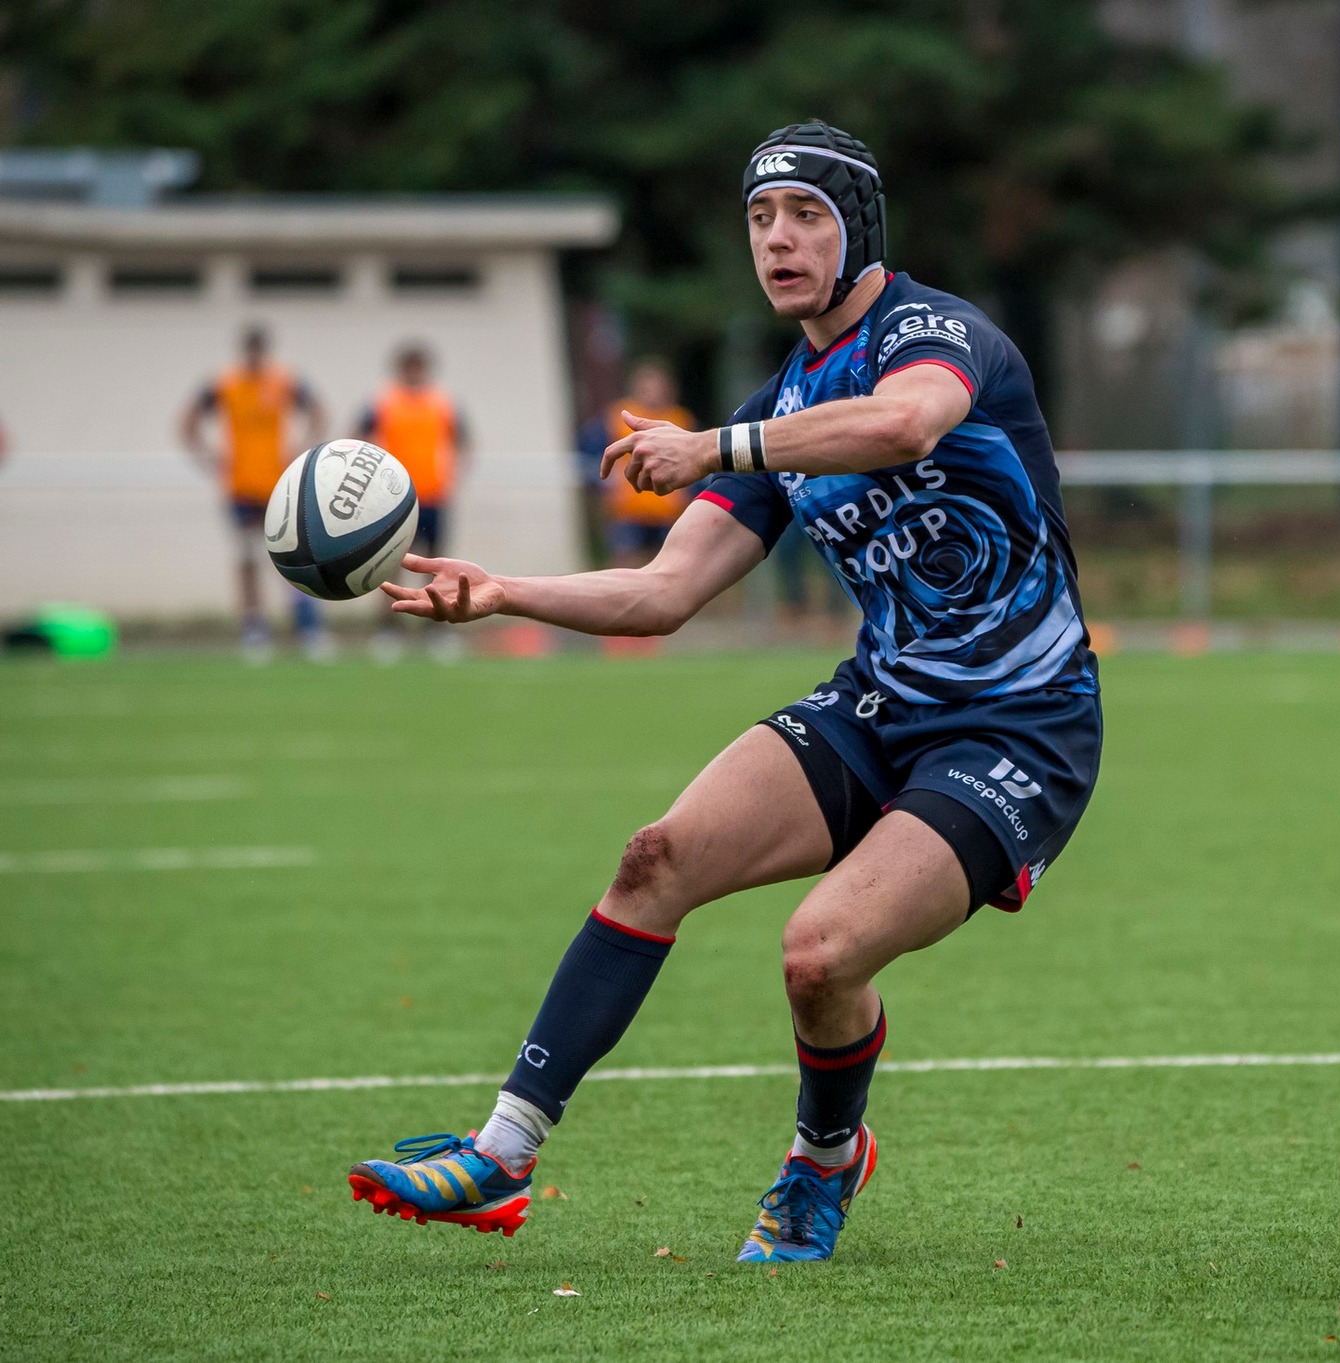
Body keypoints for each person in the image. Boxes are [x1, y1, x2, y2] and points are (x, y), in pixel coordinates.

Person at [345, 123, 1101, 1262]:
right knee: (655, 859)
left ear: (858, 229)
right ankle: (500, 1153)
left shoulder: (935, 335)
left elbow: (906, 420)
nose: (777, 240)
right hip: (883, 702)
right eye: (759, 218)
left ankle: (823, 1160)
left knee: (820, 954)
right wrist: (500, 592)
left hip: (1020, 727)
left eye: (805, 215)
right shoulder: (780, 403)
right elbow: (662, 593)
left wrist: (716, 446)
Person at [180, 325, 329, 661]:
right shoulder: (226, 383)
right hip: (242, 486)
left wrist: (302, 450)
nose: (255, 357)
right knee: (247, 558)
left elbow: (318, 411)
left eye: (259, 350)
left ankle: (307, 627)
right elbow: (188, 420)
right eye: (250, 350)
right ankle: (254, 627)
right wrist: (208, 456)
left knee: (296, 557)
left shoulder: (284, 380)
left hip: (281, 486)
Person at [360, 344, 469, 659]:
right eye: (409, 366)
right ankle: (389, 628)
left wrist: (453, 474)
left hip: (434, 496)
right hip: (395, 500)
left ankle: (436, 628)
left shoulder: (442, 403)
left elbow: (462, 440)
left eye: (418, 366)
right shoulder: (385, 402)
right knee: (391, 564)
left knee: (435, 566)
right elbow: (360, 438)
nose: (414, 372)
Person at [601, 359, 697, 568]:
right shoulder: (621, 417)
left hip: (668, 509)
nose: (653, 393)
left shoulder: (680, 418)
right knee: (626, 564)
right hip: (629, 509)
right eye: (647, 387)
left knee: (668, 565)